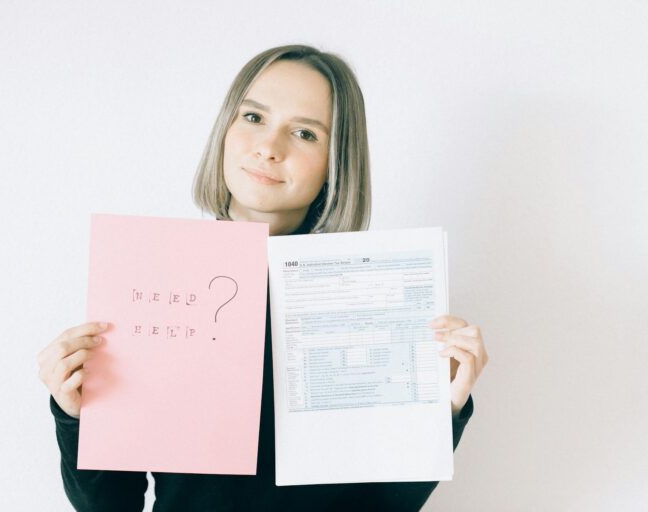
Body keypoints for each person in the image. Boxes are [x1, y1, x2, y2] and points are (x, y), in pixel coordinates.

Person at [37, 44, 489, 511]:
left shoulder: (366, 297)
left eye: (305, 133)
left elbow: (383, 505)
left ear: (336, 162)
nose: (269, 148)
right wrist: (76, 415)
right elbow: (112, 507)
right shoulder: (155, 282)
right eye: (253, 118)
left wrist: (442, 409)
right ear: (226, 129)